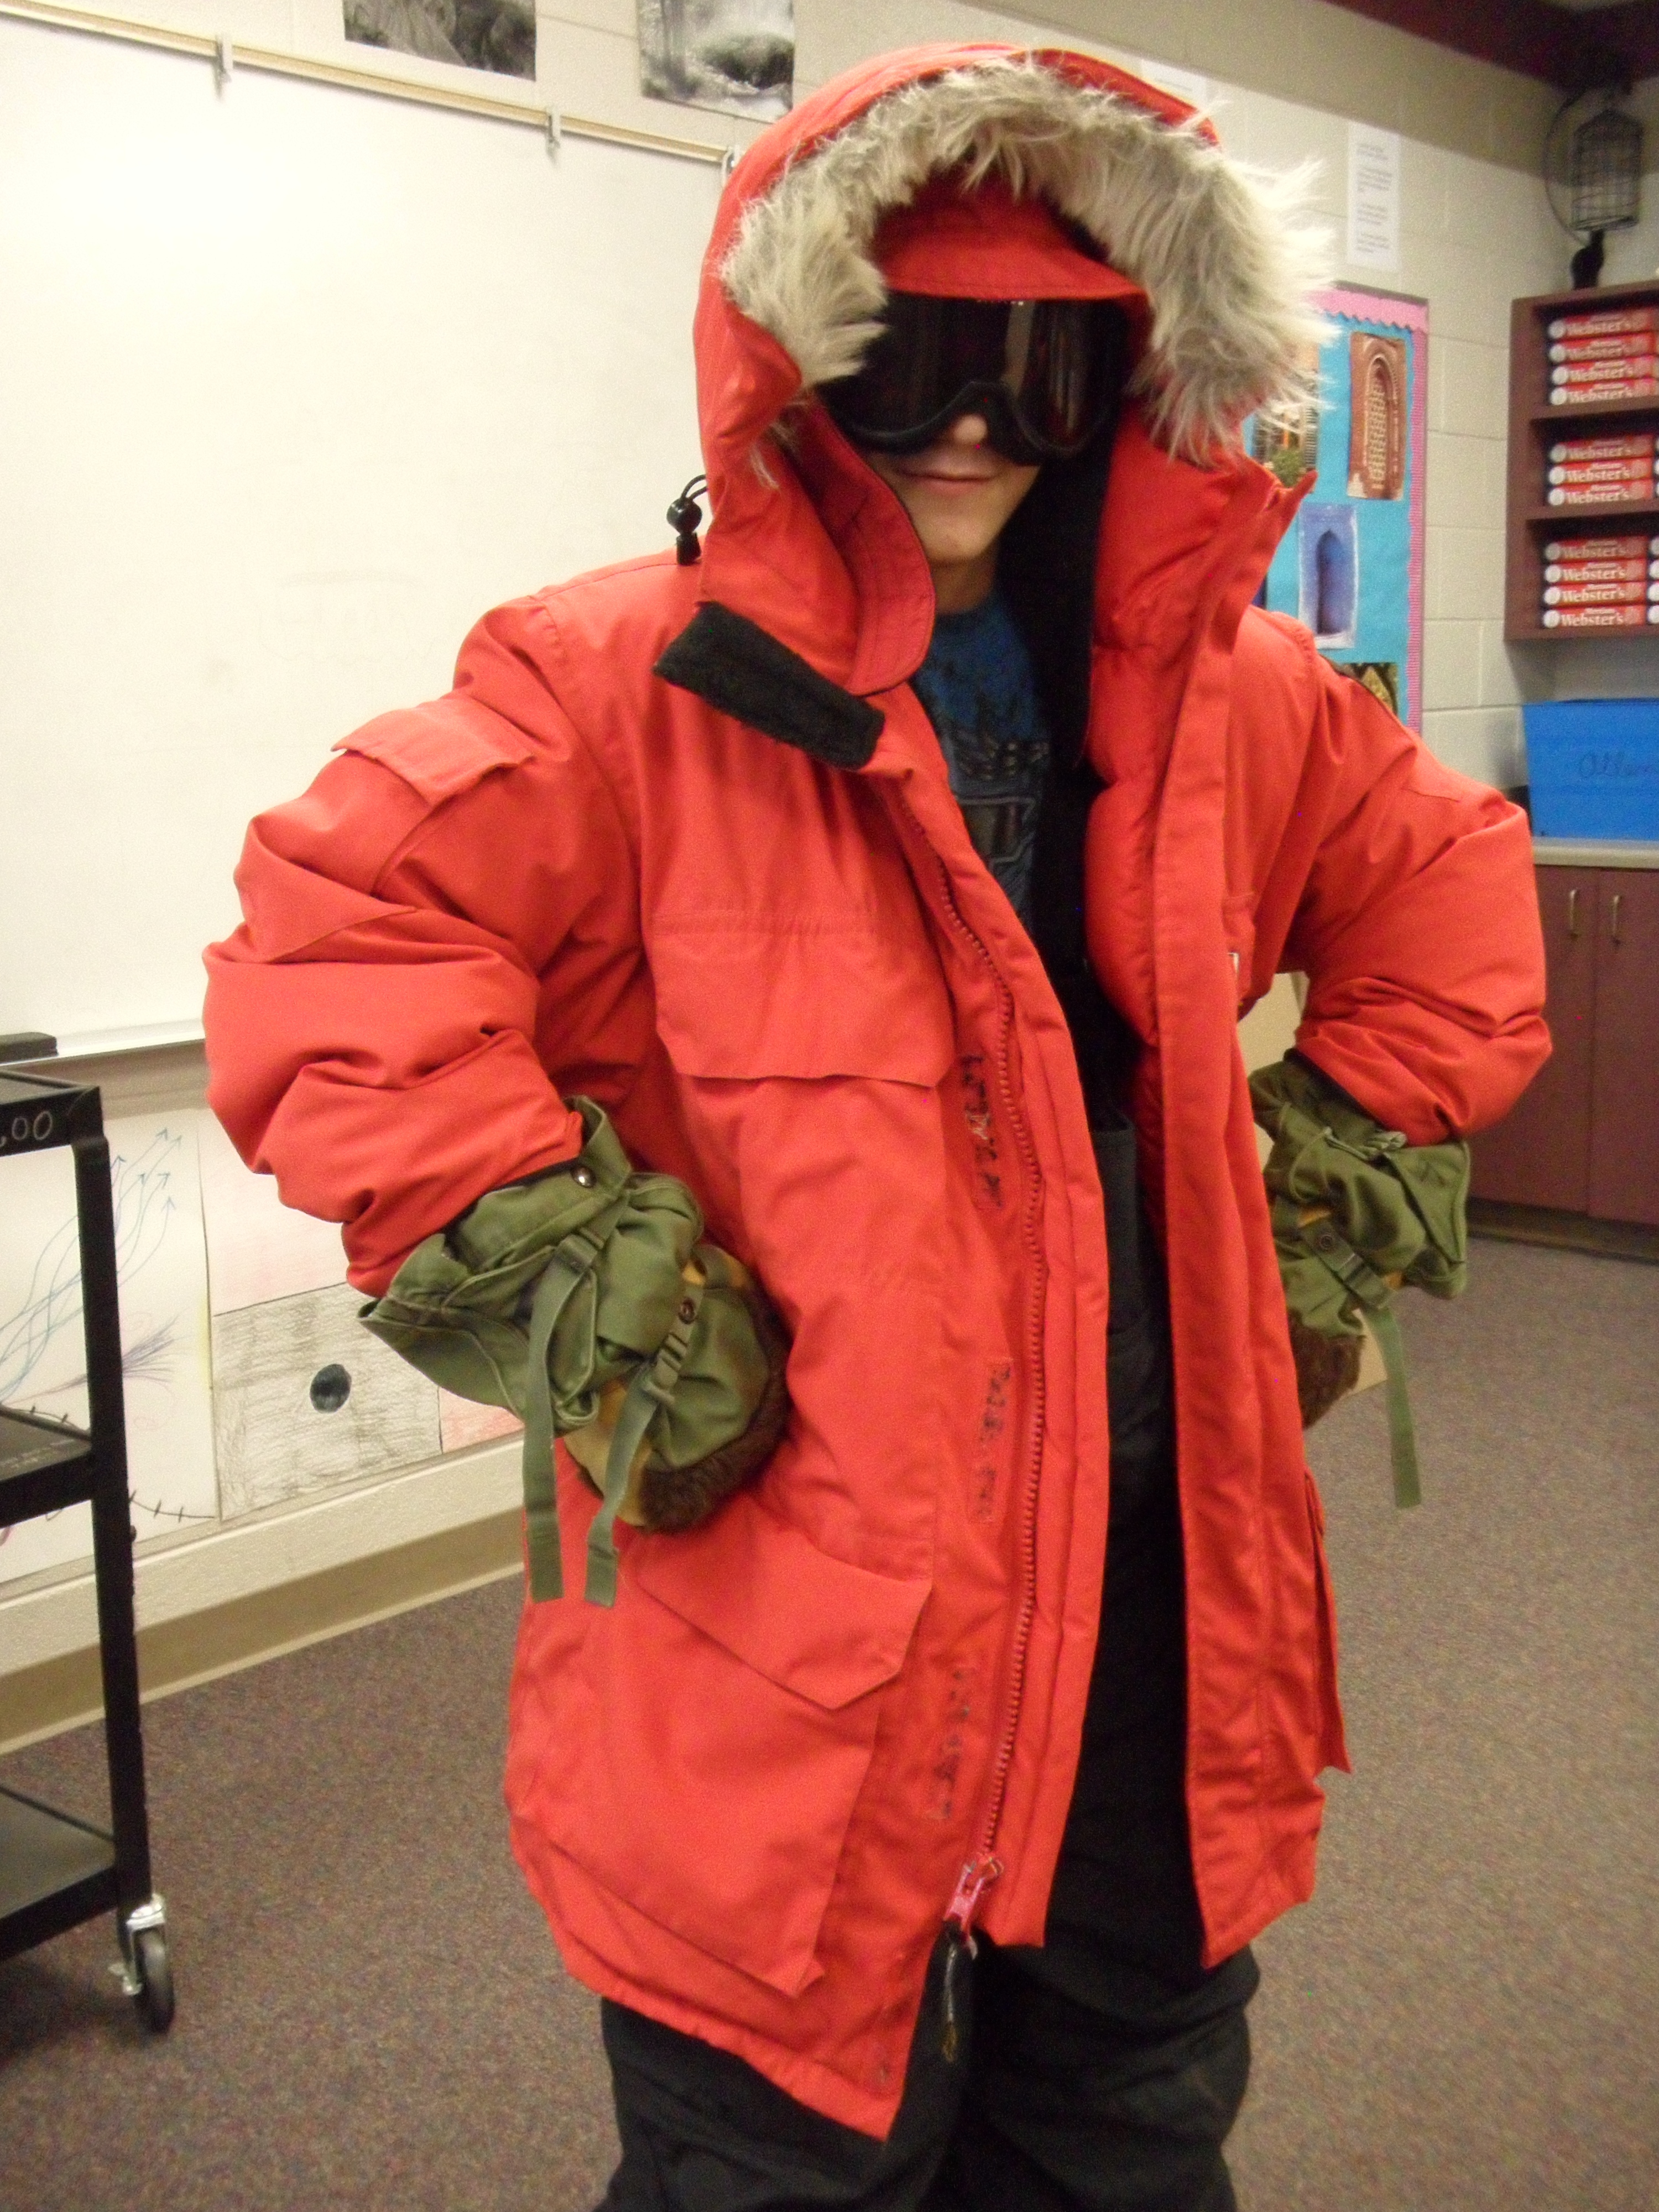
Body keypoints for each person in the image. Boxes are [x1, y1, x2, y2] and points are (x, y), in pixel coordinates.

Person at [203, 43, 1550, 2211]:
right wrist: (587, 1281)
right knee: (781, 2159)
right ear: (793, 359)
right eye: (911, 355)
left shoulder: (1242, 696)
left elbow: (1447, 892)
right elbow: (339, 937)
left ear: (1129, 377)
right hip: (797, 1647)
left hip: (1153, 1609)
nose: (970, 426)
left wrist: (1317, 1198)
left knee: (1123, 2144)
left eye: (1040, 366)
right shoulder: (620, 686)